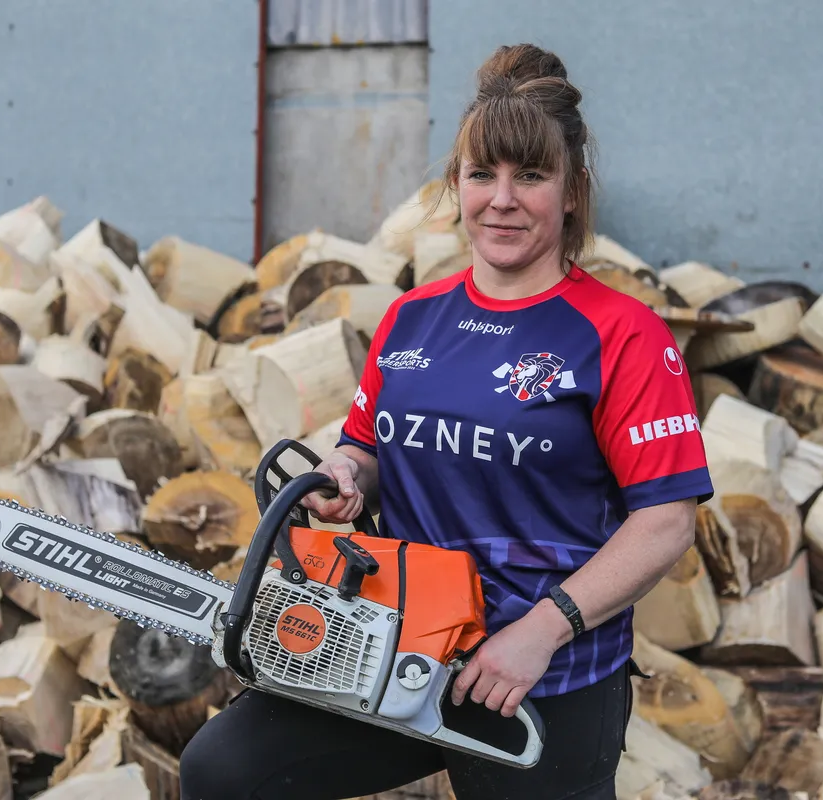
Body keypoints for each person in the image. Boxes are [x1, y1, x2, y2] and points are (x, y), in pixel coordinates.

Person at [179, 42, 713, 800]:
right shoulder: (413, 318)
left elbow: (665, 521)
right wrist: (344, 475)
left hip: (539, 676)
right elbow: (367, 447)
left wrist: (543, 630)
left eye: (531, 175)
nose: (502, 199)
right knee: (225, 771)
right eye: (481, 174)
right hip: (393, 644)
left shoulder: (620, 335)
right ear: (456, 184)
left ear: (571, 191)